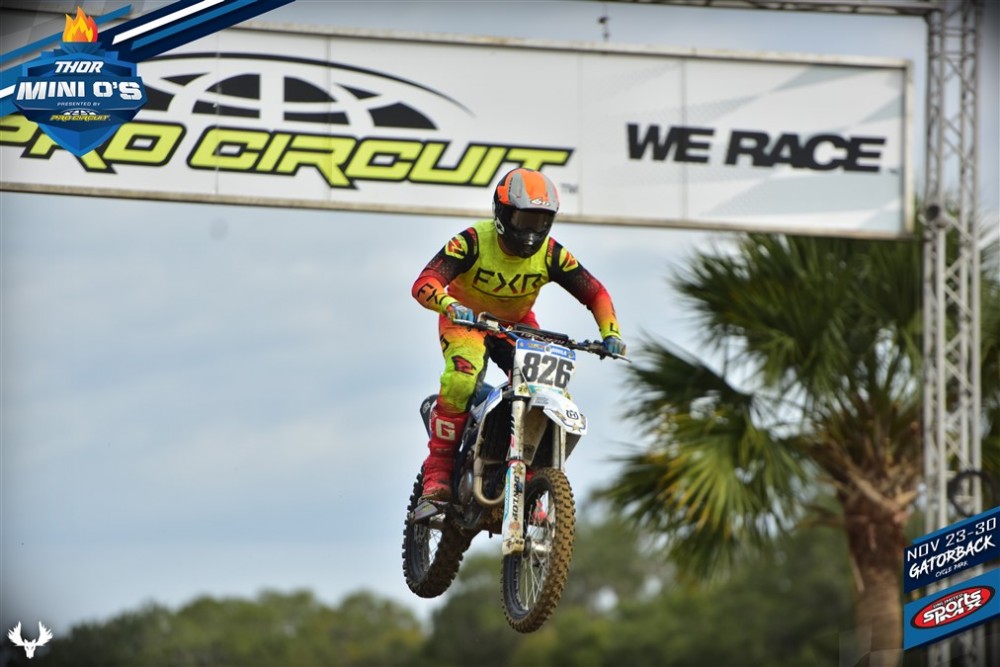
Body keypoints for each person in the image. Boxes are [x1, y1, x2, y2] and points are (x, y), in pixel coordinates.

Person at [411, 167, 626, 502]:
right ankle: (438, 468)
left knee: (550, 391)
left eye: (540, 222)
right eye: (524, 220)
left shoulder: (551, 253)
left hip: (517, 326)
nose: (531, 231)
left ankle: (534, 472)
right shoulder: (472, 241)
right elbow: (425, 283)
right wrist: (449, 304)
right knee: (462, 377)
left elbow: (595, 292)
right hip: (466, 321)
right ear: (502, 213)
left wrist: (610, 332)